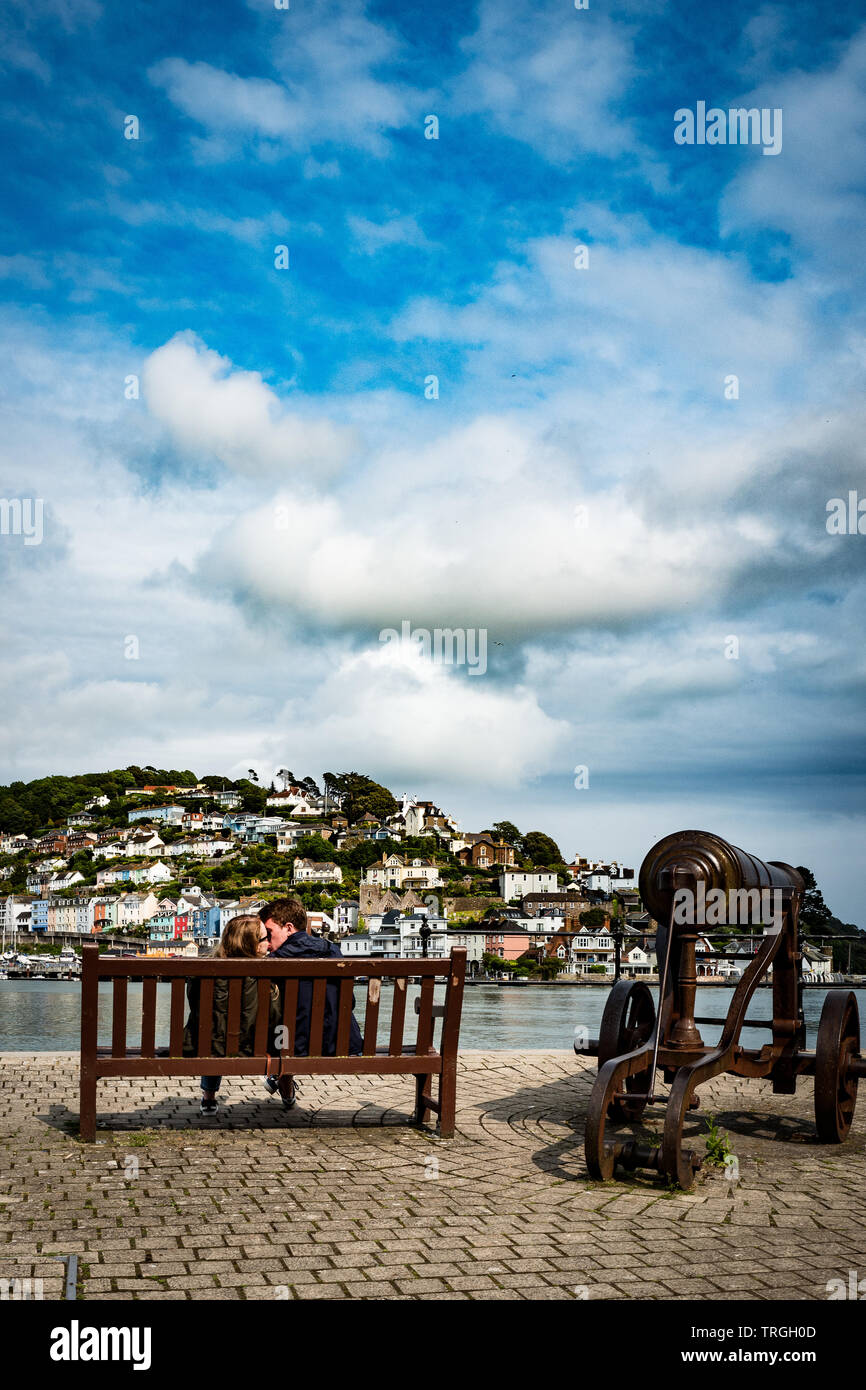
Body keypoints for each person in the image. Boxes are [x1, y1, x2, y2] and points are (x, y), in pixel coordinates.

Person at [259, 898, 363, 1105]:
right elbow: (349, 1002)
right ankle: (283, 1087)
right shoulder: (332, 950)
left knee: (280, 1027)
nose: (268, 942)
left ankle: (279, 1079)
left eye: (270, 933)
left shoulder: (275, 962)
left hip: (293, 1048)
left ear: (288, 928)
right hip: (342, 1043)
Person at [182, 914, 282, 1116]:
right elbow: (275, 1017)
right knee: (284, 1033)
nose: (269, 944)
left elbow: (196, 1008)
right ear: (253, 946)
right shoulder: (267, 975)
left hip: (208, 1047)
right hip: (253, 1049)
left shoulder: (202, 973)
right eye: (264, 939)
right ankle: (283, 1086)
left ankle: (209, 1097)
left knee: (212, 1032)